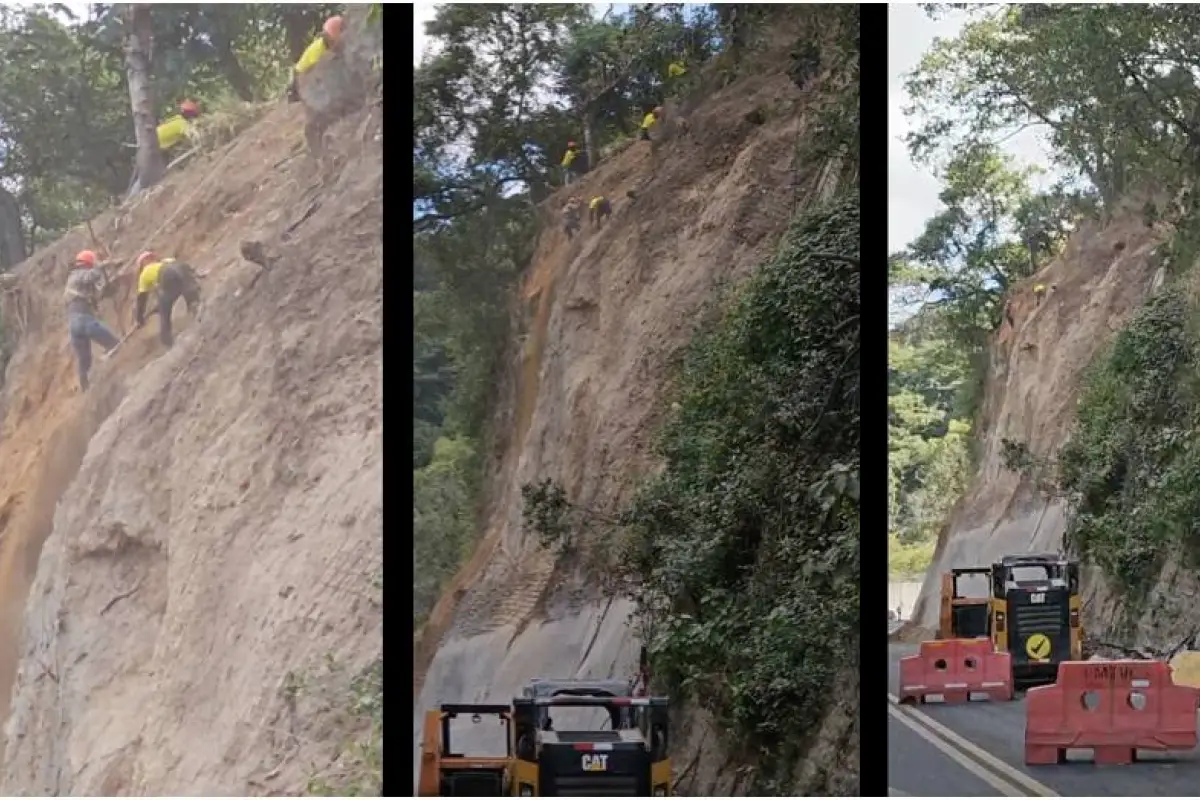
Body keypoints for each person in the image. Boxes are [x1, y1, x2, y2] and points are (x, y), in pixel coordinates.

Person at [63, 250, 119, 391]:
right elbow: (90, 276)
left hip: (75, 324)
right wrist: (101, 266)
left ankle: (85, 387)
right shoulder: (78, 275)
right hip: (84, 320)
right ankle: (114, 368)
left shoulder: (77, 281)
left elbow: (100, 291)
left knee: (84, 360)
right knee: (114, 344)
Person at [134, 251, 202, 349]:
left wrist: (139, 318)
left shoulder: (145, 273)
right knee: (188, 293)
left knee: (164, 309)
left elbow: (142, 299)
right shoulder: (166, 261)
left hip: (167, 275)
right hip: (182, 268)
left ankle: (167, 340)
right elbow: (181, 270)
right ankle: (198, 312)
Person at [288, 15, 345, 102]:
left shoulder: (325, 46)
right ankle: (296, 94)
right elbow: (316, 69)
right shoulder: (318, 49)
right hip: (301, 74)